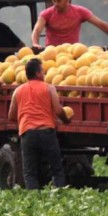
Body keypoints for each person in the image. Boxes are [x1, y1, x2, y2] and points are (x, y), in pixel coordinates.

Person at [8, 58, 71, 189]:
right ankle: (59, 194)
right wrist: (66, 120)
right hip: (46, 132)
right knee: (56, 168)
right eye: (43, 71)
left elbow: (11, 116)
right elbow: (58, 110)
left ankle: (34, 201)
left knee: (30, 172)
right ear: (37, 73)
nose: (44, 74)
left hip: (27, 133)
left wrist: (26, 118)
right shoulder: (49, 88)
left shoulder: (18, 91)